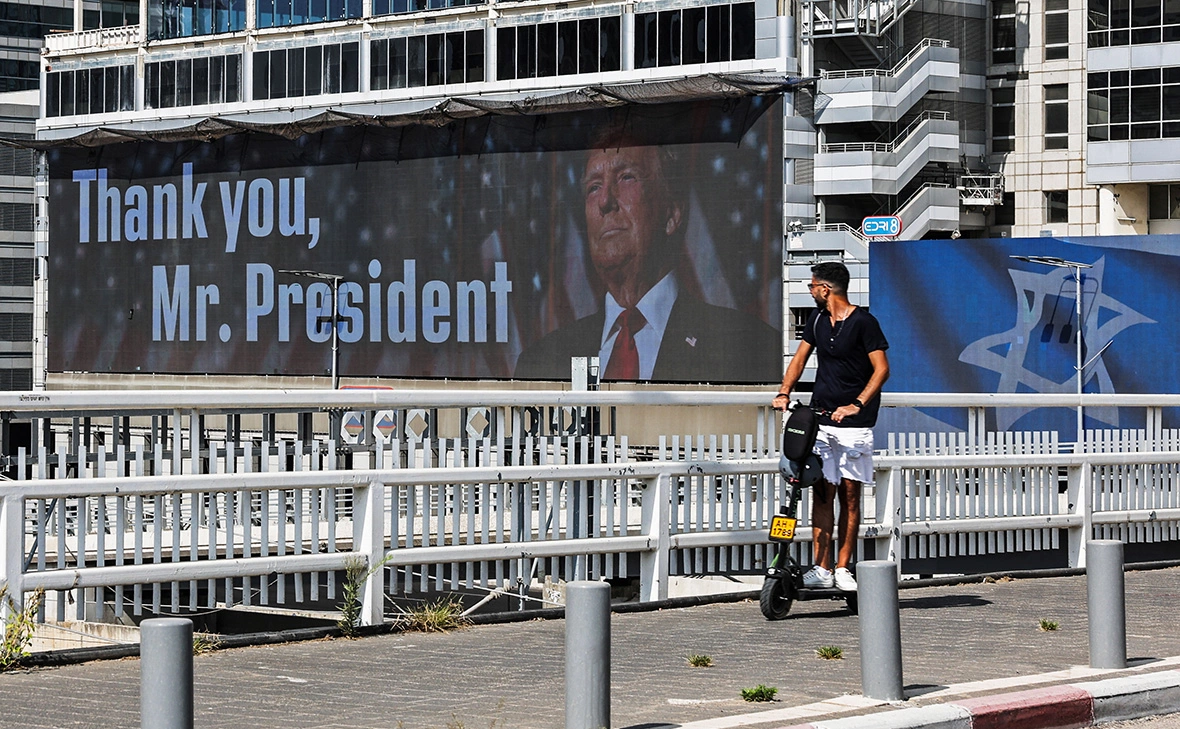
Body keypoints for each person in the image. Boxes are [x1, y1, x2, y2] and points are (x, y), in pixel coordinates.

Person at [513, 136, 780, 383]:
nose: (605, 201)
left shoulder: (747, 347)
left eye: (626, 178)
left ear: (672, 214)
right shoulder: (540, 362)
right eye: (594, 187)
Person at [772, 261, 890, 592]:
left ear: (825, 289)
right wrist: (784, 392)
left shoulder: (864, 322)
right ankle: (821, 568)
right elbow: (799, 359)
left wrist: (857, 404)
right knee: (821, 494)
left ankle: (842, 567)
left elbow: (882, 369)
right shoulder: (817, 320)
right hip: (821, 420)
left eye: (812, 286)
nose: (810, 291)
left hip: (854, 424)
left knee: (850, 497)